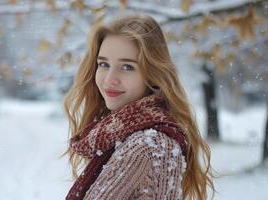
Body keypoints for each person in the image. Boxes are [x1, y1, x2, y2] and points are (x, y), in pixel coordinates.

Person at [64, 14, 215, 200]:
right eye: (103, 64)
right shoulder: (123, 137)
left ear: (152, 74)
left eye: (127, 67)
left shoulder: (150, 146)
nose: (109, 79)